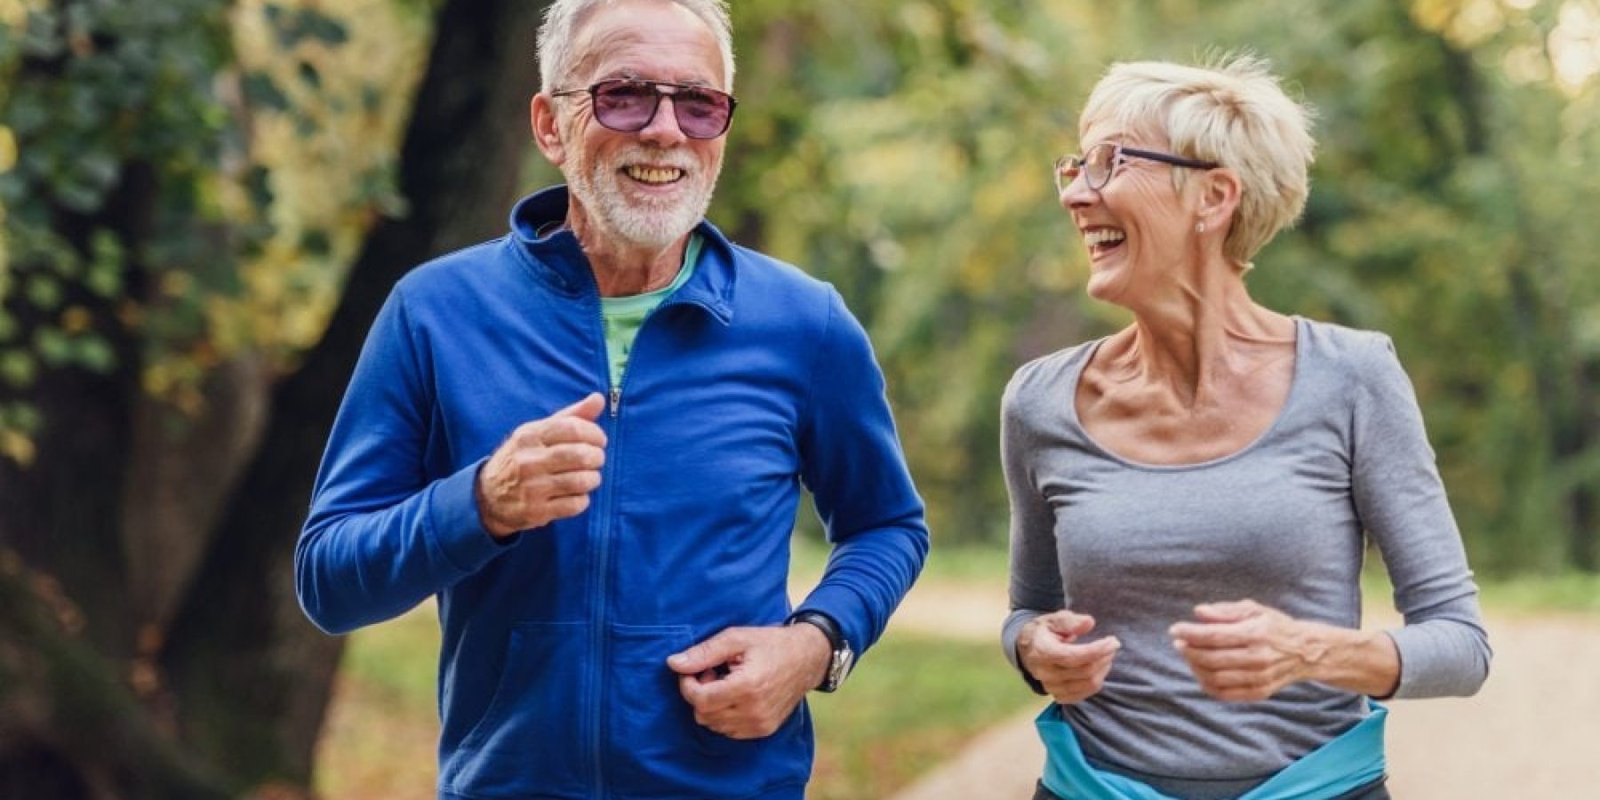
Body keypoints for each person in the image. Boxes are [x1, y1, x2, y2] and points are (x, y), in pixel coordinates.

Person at [294, 1, 929, 797]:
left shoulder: (805, 324)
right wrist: (481, 503)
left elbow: (887, 526)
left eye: (697, 103)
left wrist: (814, 646)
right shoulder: (434, 313)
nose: (665, 130)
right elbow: (329, 579)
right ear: (550, 124)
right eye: (623, 95)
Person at [1001, 55, 1491, 800]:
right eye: (1074, 165)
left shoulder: (1351, 377)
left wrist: (1311, 651)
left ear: (1215, 195)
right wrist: (1033, 649)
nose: (1075, 191)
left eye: (1110, 162)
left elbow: (1460, 644)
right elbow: (1029, 614)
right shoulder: (1039, 401)